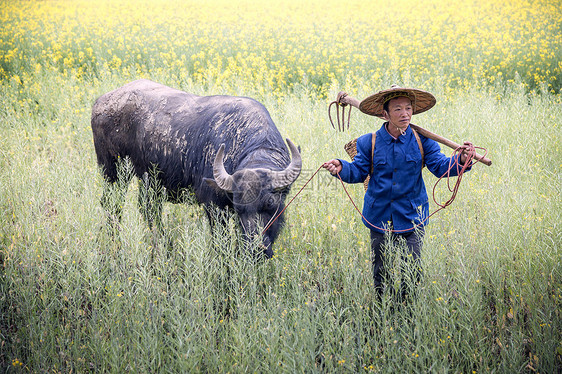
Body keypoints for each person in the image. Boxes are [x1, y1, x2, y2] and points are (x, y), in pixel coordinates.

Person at [323, 85, 472, 301]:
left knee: (411, 271)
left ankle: (408, 313)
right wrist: (340, 167)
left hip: (412, 215)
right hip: (379, 216)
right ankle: (383, 311)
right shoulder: (368, 142)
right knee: (381, 270)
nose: (405, 114)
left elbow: (440, 166)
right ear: (385, 114)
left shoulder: (423, 141)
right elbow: (357, 172)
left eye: (408, 109)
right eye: (398, 110)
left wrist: (460, 159)